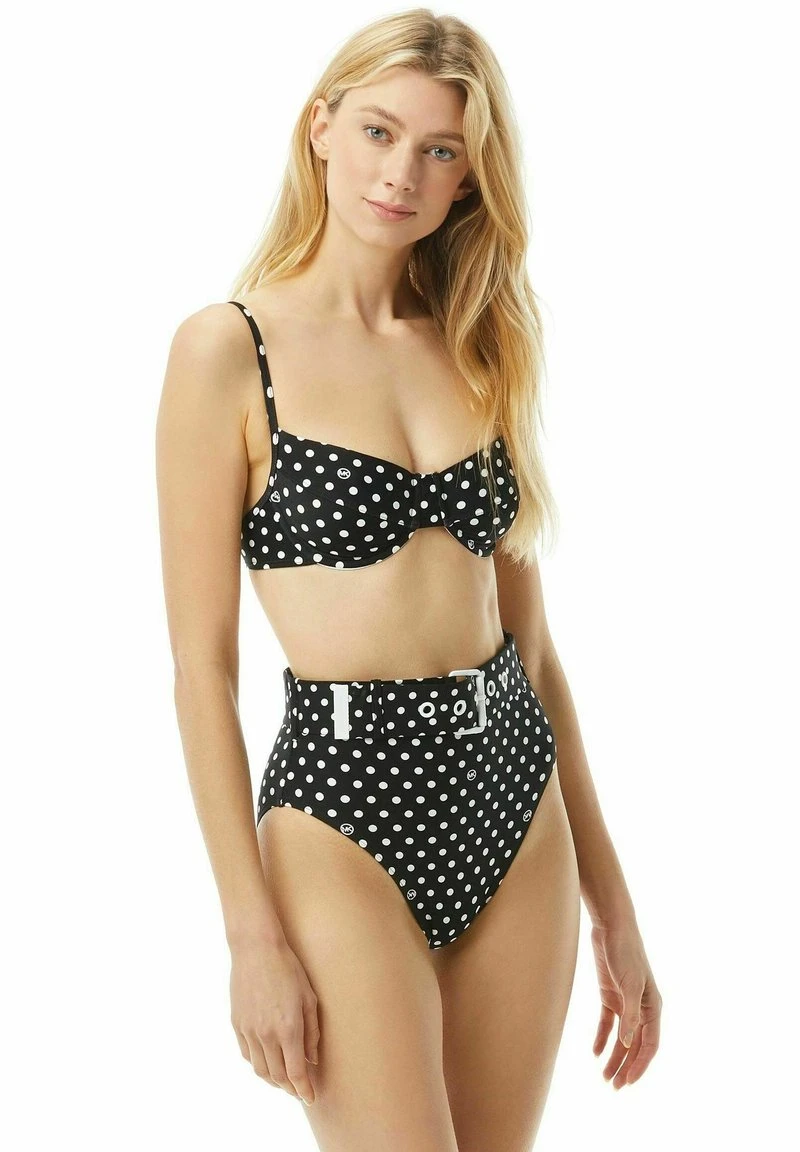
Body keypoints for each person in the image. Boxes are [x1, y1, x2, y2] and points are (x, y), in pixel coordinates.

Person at [156, 9, 661, 1149]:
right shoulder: (226, 351)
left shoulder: (481, 344)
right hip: (339, 814)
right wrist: (249, 936)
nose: (401, 174)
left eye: (440, 150)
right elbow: (200, 670)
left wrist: (614, 905)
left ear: (469, 176)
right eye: (379, 132)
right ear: (320, 127)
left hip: (513, 801)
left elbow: (533, 651)